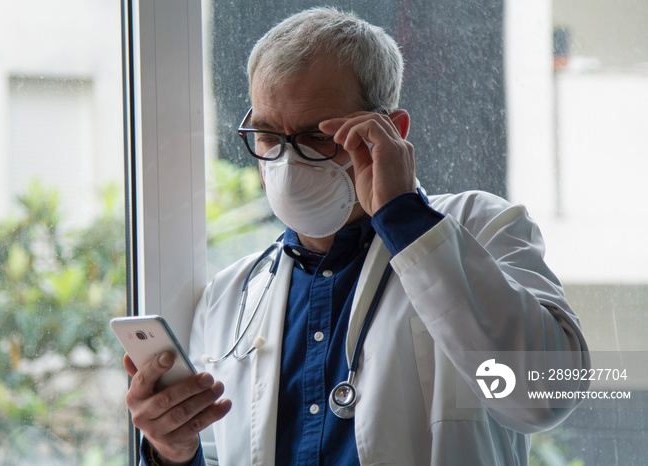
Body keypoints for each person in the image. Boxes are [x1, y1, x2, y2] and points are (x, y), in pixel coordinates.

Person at [124, 7, 589, 466]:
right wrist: (173, 453)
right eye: (268, 137)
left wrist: (403, 217)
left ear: (392, 131)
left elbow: (543, 394)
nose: (287, 162)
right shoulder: (231, 296)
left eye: (316, 137)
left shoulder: (480, 226)